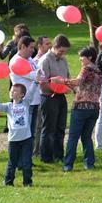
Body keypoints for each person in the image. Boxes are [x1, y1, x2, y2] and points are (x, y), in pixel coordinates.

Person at [0, 82, 37, 186]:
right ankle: (8, 182)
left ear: (22, 94)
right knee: (12, 162)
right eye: (11, 90)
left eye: (15, 91)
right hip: (13, 140)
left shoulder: (26, 102)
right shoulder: (8, 106)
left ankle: (28, 183)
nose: (12, 92)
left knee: (27, 162)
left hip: (26, 139)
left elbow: (31, 91)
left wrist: (37, 81)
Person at [60, 46, 102, 171]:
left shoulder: (86, 68)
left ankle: (68, 165)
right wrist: (69, 85)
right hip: (94, 108)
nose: (80, 59)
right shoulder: (98, 71)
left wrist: (61, 81)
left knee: (73, 136)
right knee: (86, 136)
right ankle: (89, 163)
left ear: (89, 57)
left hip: (81, 108)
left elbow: (78, 82)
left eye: (82, 56)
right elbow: (84, 87)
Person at [37, 35, 71, 163]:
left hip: (61, 97)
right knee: (49, 128)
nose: (63, 54)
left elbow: (66, 77)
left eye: (64, 52)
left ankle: (58, 155)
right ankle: (46, 157)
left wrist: (70, 85)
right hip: (48, 97)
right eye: (61, 51)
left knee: (60, 128)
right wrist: (59, 88)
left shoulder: (63, 60)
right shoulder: (45, 60)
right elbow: (43, 83)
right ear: (54, 47)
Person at [8, 36, 41, 150]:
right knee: (26, 134)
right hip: (25, 102)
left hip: (35, 100)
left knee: (32, 131)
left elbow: (41, 73)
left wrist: (39, 74)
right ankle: (23, 160)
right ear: (22, 47)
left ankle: (28, 158)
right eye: (31, 47)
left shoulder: (29, 59)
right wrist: (38, 74)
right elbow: (37, 76)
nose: (33, 50)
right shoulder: (16, 62)